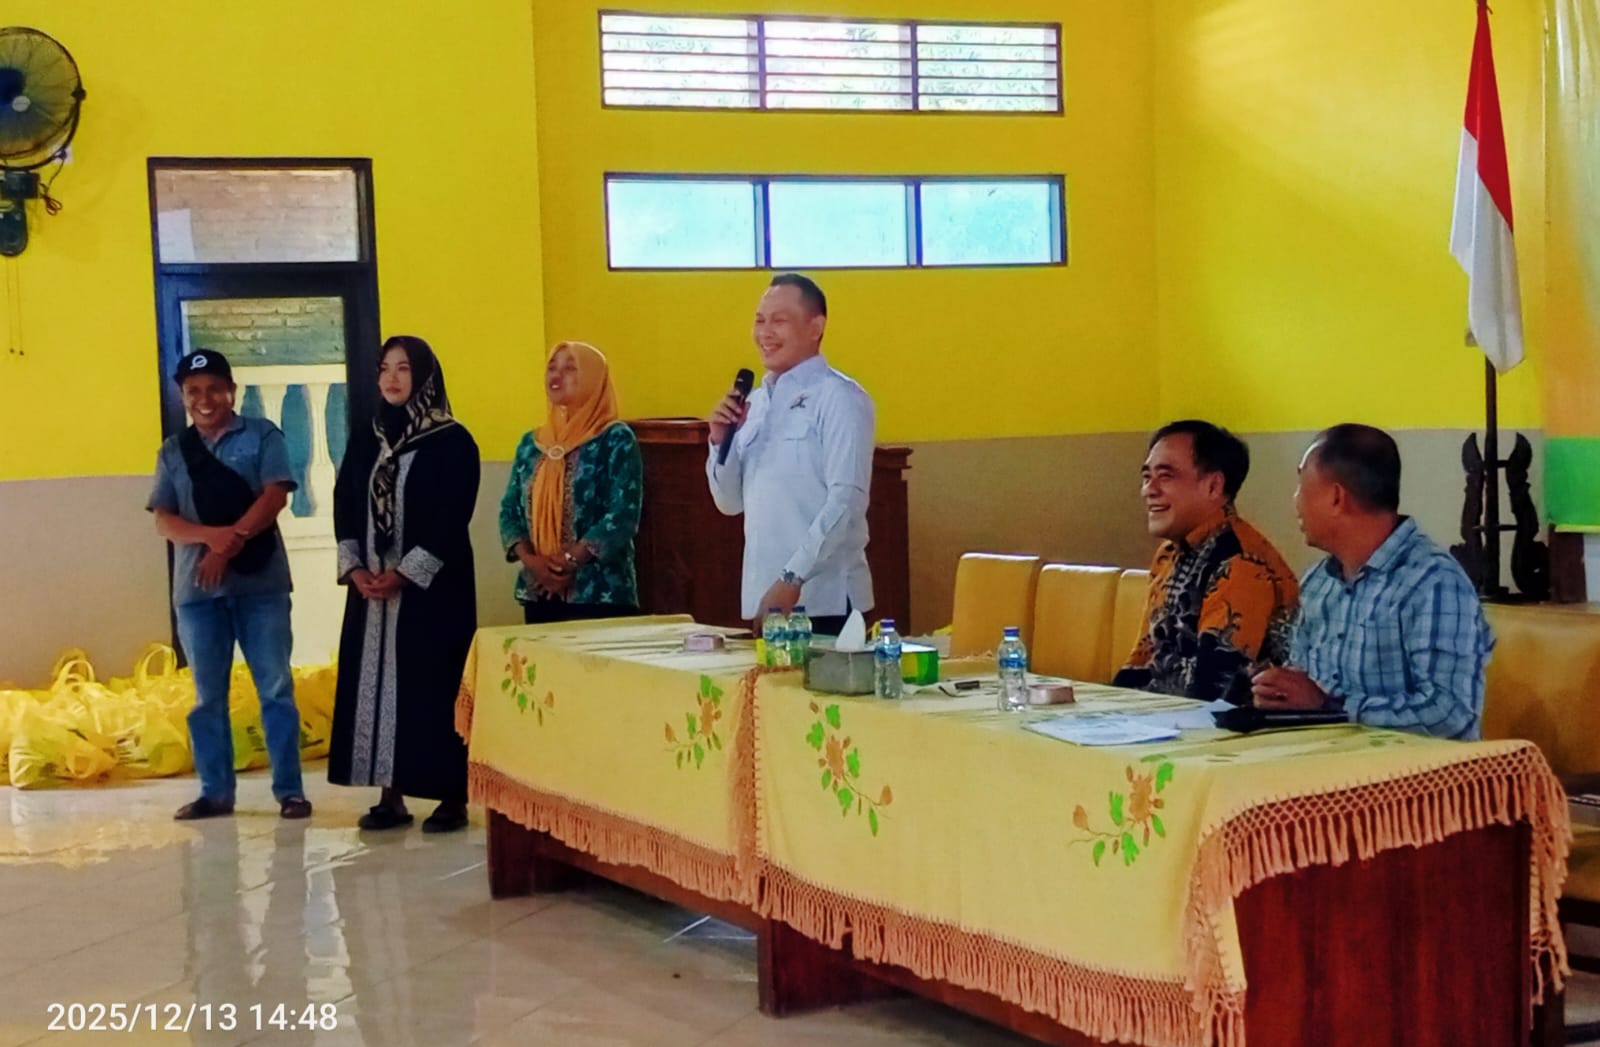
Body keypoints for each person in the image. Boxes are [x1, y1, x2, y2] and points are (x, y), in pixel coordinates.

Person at [149, 349, 310, 821]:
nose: (205, 399)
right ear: (183, 397)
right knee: (206, 698)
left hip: (261, 588)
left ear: (231, 391)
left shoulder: (262, 435)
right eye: (193, 392)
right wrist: (208, 538)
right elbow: (163, 519)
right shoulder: (174, 452)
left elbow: (276, 495)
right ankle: (215, 793)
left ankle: (290, 791)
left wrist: (228, 545)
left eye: (214, 389)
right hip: (197, 596)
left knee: (276, 688)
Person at [1252, 424, 1493, 740]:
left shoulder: (1432, 581)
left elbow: (1450, 715)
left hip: (1415, 779)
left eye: (1301, 483)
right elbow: (1305, 688)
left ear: (1337, 497)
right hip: (1325, 764)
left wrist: (1331, 707)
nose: (1294, 499)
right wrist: (1278, 693)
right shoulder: (1318, 583)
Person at [330, 336, 479, 833]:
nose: (392, 378)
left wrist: (405, 573)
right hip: (372, 590)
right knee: (375, 685)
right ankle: (389, 795)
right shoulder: (366, 437)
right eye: (385, 368)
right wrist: (355, 568)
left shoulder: (453, 441)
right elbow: (344, 502)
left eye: (404, 369)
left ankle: (450, 797)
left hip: (433, 593)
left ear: (424, 377)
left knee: (433, 686)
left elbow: (451, 517)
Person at [707, 274, 875, 636]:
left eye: (779, 321)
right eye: (759, 320)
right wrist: (719, 443)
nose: (765, 333)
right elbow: (729, 503)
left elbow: (846, 500)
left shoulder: (839, 397)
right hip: (766, 598)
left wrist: (792, 576)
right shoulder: (755, 402)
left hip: (824, 600)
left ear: (816, 327)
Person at [1113, 420, 1299, 703]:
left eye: (1165, 476)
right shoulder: (1168, 554)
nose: (1149, 490)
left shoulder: (1241, 563)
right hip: (1164, 717)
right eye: (1146, 477)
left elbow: (1215, 691)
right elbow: (1143, 657)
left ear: (1213, 486)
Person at [500, 342, 643, 624]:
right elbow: (509, 511)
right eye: (551, 367)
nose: (556, 376)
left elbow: (623, 515)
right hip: (539, 591)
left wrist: (570, 560)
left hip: (599, 594)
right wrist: (534, 564)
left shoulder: (615, 438)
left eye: (569, 368)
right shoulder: (532, 444)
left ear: (593, 377)